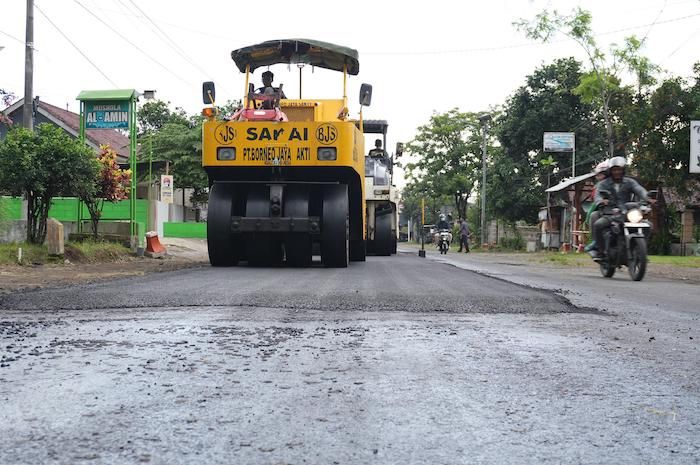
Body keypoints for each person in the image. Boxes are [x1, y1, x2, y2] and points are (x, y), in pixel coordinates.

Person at [590, 156, 648, 259]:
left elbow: (639, 189)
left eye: (619, 169)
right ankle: (601, 251)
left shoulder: (629, 182)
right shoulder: (603, 184)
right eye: (614, 170)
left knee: (648, 225)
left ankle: (640, 251)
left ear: (623, 170)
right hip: (610, 213)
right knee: (598, 224)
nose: (617, 172)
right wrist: (601, 201)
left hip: (626, 213)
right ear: (610, 171)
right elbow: (597, 195)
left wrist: (647, 197)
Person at [584, 159, 609, 252]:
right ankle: (596, 241)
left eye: (601, 174)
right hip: (606, 209)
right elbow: (596, 197)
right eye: (598, 174)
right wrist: (602, 201)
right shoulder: (599, 186)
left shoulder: (624, 181)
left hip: (622, 209)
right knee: (593, 215)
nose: (599, 176)